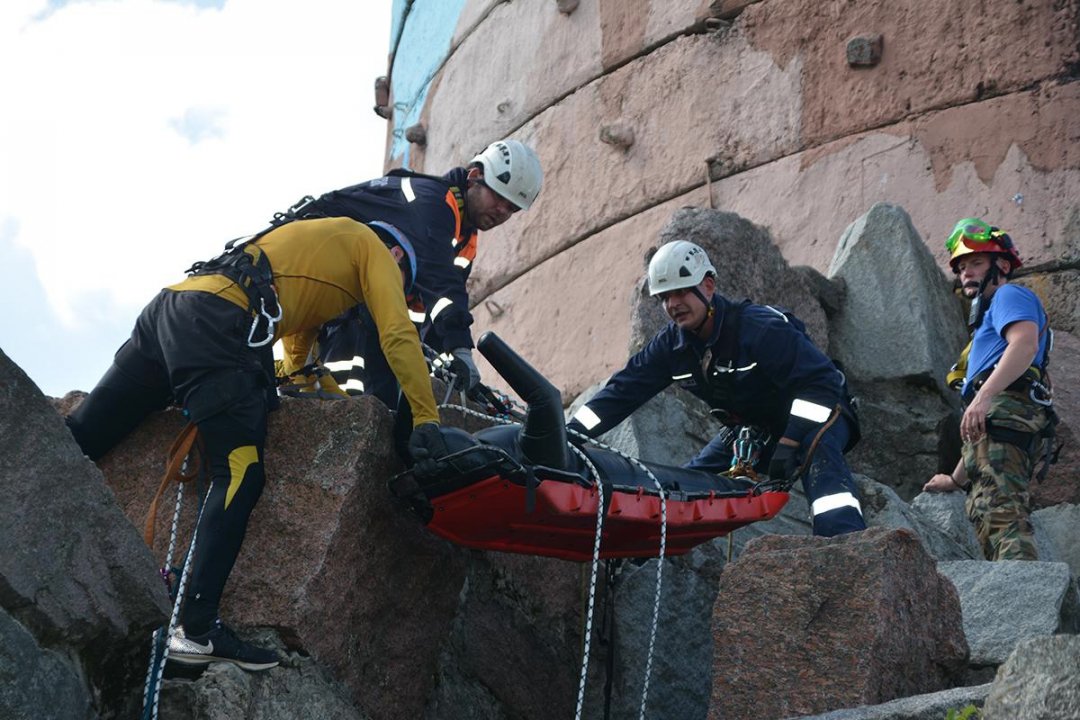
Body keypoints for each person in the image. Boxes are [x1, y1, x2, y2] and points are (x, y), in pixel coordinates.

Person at [65, 217, 449, 670]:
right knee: (241, 471)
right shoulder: (373, 248)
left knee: (80, 439)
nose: (393, 291)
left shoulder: (322, 248)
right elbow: (397, 333)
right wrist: (426, 417)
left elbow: (295, 362)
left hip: (172, 308)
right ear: (398, 256)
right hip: (217, 323)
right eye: (402, 286)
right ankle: (196, 630)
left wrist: (338, 397)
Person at [567, 241, 866, 537]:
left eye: (681, 291)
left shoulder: (759, 329)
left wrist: (790, 440)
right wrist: (570, 435)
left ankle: (842, 543)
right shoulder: (671, 347)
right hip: (754, 429)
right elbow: (621, 393)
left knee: (818, 449)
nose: (673, 305)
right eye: (665, 297)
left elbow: (822, 385)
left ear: (708, 286)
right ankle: (637, 551)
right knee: (688, 482)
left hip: (822, 412)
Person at [278, 139, 543, 406]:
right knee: (356, 394)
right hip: (314, 279)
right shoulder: (430, 202)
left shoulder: (463, 237)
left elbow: (435, 312)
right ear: (474, 176)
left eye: (512, 208)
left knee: (389, 384)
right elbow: (441, 282)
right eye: (498, 197)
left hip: (351, 302)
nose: (502, 211)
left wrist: (450, 371)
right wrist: (461, 348)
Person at [923, 218, 1053, 561]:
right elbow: (983, 436)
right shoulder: (987, 321)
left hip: (1006, 405)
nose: (967, 272)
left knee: (1003, 516)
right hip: (1000, 415)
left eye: (977, 263)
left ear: (1003, 266)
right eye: (962, 267)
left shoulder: (1009, 294)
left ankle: (1024, 603)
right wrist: (955, 479)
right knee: (989, 512)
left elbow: (1023, 346)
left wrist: (983, 396)